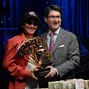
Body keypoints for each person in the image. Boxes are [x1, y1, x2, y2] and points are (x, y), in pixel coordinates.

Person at [40, 5, 80, 87]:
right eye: (52, 17)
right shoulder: (40, 38)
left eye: (58, 17)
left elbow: (75, 60)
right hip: (44, 83)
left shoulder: (70, 37)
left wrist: (56, 70)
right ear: (45, 19)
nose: (56, 20)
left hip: (64, 83)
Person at [3, 11, 40, 89]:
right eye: (29, 23)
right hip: (20, 85)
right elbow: (7, 66)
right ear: (23, 25)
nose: (32, 26)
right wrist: (28, 73)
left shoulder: (38, 41)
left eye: (35, 24)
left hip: (37, 84)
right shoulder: (14, 41)